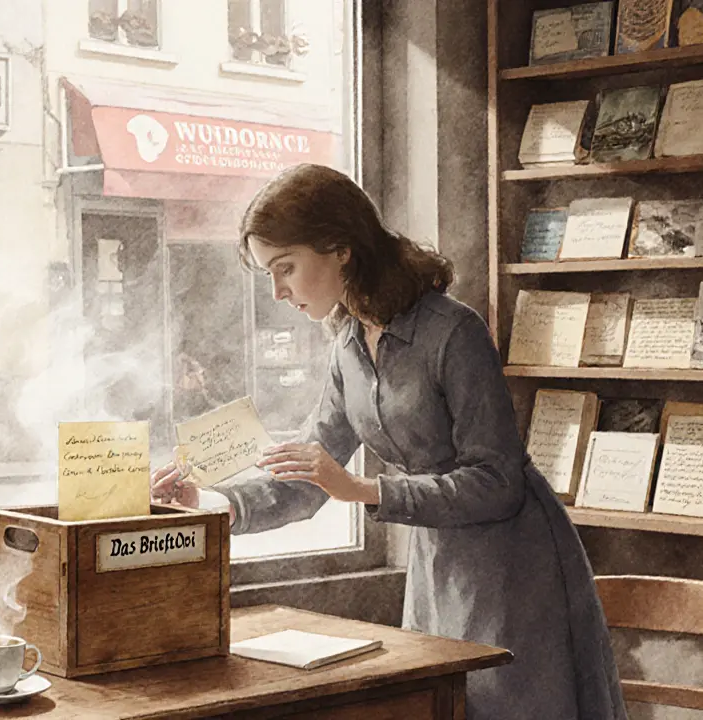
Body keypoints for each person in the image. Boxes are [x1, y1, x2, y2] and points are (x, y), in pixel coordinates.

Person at [150, 163, 628, 720]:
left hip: (516, 567)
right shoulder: (347, 347)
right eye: (268, 274)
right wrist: (214, 505)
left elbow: (499, 484)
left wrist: (365, 489)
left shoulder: (454, 332)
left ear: (341, 249)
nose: (278, 292)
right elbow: (309, 476)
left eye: (287, 267)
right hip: (436, 565)